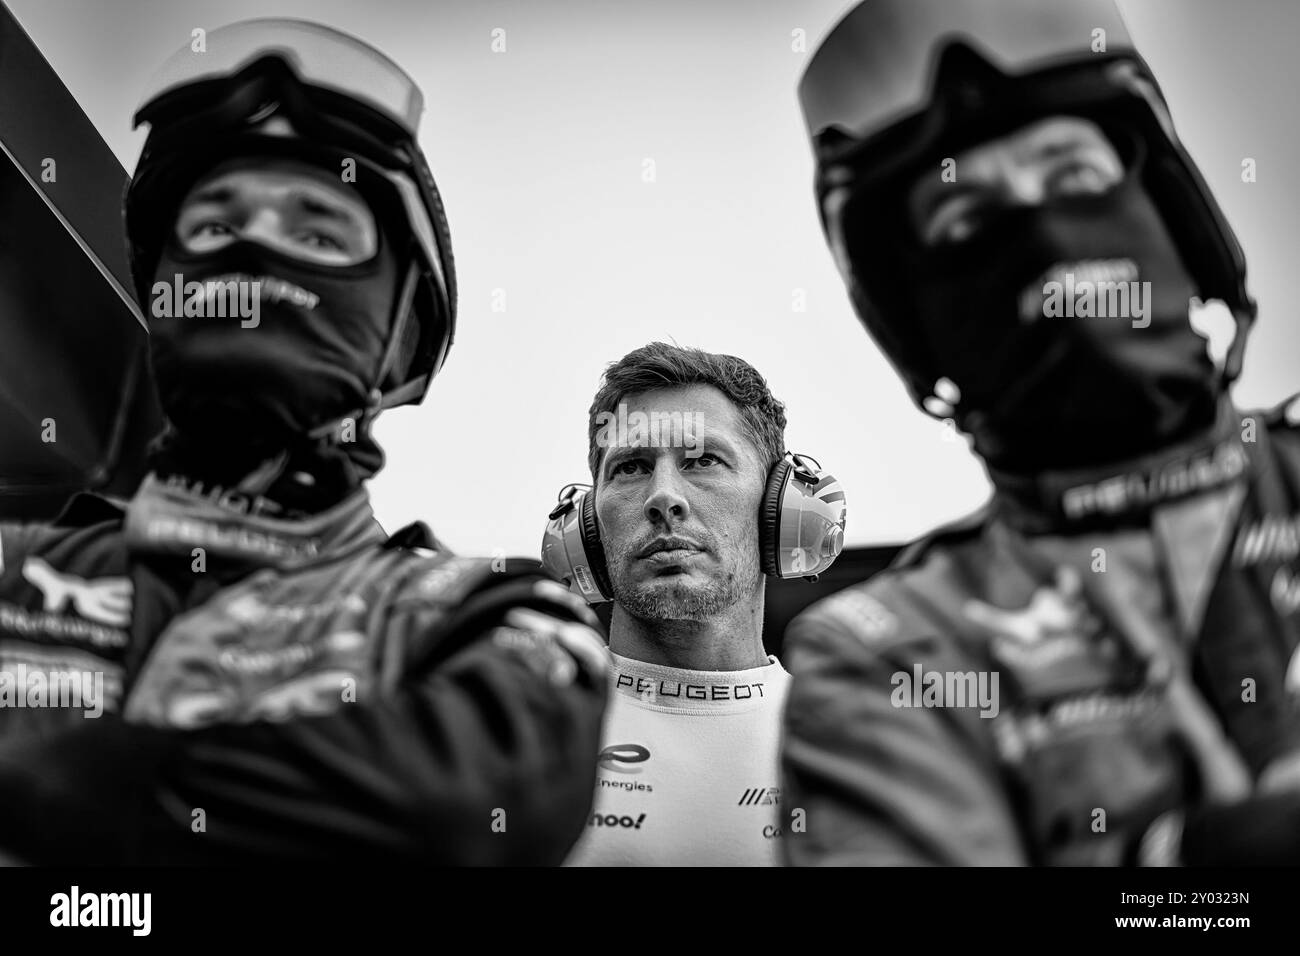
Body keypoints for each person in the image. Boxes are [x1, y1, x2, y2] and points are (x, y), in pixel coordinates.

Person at [0, 18, 607, 865]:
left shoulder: (479, 613)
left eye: (318, 232)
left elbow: (468, 799)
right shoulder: (13, 571)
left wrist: (100, 788)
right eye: (214, 226)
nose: (252, 247)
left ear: (398, 334)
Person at [781, 0, 1300, 865]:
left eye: (1075, 178)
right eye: (972, 222)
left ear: (1176, 220)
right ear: (920, 324)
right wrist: (1199, 878)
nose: (1046, 236)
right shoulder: (888, 653)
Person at [541, 343, 845, 865]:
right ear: (584, 527)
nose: (663, 496)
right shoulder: (513, 732)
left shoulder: (853, 743)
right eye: (632, 467)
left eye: (703, 460)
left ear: (782, 505)